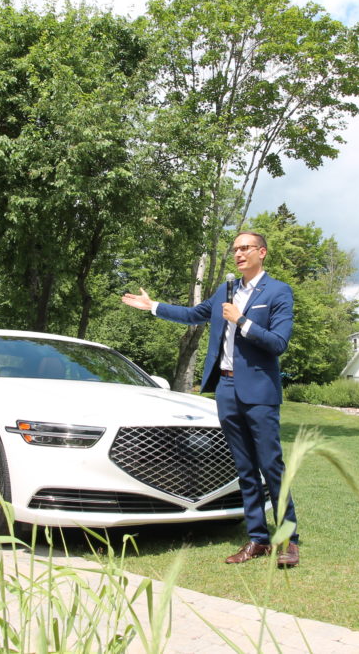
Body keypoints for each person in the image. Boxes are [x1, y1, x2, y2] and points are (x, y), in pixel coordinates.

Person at [121, 231, 300, 567]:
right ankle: (258, 539)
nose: (238, 254)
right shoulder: (226, 291)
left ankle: (289, 540)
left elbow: (278, 343)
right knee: (245, 467)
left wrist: (242, 321)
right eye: (235, 249)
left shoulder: (278, 292)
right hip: (227, 390)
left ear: (262, 252)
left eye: (245, 248)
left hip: (260, 392)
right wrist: (153, 306)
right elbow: (194, 314)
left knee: (271, 465)